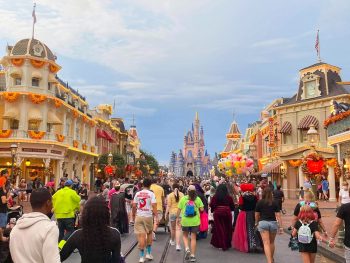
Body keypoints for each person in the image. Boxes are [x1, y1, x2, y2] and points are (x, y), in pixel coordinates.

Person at [60, 196, 121, 263]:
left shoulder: (78, 235)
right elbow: (116, 260)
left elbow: (60, 257)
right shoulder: (115, 234)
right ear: (106, 214)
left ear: (86, 214)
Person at [9, 188, 60, 263]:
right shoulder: (49, 228)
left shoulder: (15, 229)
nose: (53, 204)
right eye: (52, 201)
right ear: (48, 202)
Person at [132, 178, 158, 263]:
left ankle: (141, 257)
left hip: (139, 216)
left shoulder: (138, 193)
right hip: (148, 216)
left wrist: (133, 215)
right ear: (150, 185)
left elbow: (134, 205)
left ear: (143, 185)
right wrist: (156, 216)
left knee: (141, 236)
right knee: (149, 233)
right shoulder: (151, 194)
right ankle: (149, 253)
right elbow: (154, 205)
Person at [176, 185, 204, 262]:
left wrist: (177, 218)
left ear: (187, 191)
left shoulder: (183, 199)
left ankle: (187, 249)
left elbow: (178, 210)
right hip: (195, 221)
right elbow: (202, 209)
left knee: (185, 236)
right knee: (193, 238)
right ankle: (193, 255)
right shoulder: (197, 199)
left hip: (185, 221)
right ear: (195, 191)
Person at [255, 187, 283, 263]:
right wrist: (281, 227)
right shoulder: (274, 202)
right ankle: (271, 259)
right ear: (271, 194)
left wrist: (256, 223)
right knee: (271, 242)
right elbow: (278, 215)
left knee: (266, 243)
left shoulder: (260, 202)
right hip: (273, 223)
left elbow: (257, 215)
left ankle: (269, 261)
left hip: (263, 223)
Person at [232, 183, 259, 253]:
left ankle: (248, 245)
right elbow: (257, 205)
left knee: (244, 230)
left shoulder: (242, 197)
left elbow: (241, 207)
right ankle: (255, 244)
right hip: (253, 213)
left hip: (244, 214)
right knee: (254, 228)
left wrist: (238, 205)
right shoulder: (255, 197)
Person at [210, 184, 235, 251]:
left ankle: (221, 244)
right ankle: (226, 244)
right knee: (227, 228)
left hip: (218, 213)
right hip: (227, 212)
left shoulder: (215, 197)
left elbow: (212, 205)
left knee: (219, 229)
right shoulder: (229, 197)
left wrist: (213, 210)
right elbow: (232, 207)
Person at [165, 183, 184, 251]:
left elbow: (168, 206)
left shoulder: (170, 195)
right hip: (180, 214)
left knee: (173, 229)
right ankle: (178, 245)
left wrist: (166, 213)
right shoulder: (182, 195)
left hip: (172, 213)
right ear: (179, 188)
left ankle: (172, 241)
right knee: (178, 229)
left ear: (172, 188)